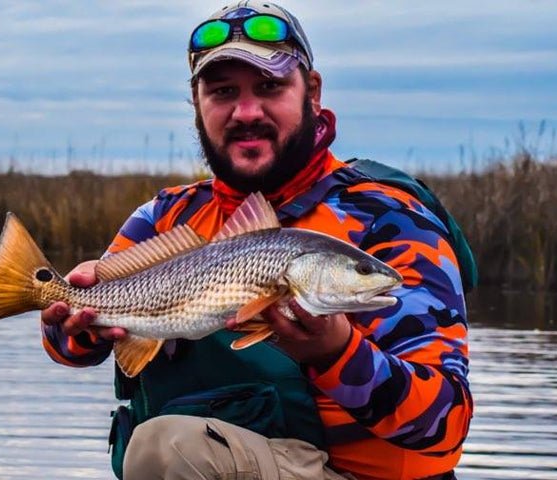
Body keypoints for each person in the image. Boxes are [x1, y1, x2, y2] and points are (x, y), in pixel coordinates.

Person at [41, 2, 473, 479]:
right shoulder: (164, 216)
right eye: (222, 91)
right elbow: (71, 345)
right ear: (197, 103)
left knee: (165, 448)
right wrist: (72, 324)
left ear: (311, 92)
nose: (246, 112)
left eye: (270, 87)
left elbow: (443, 422)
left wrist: (335, 352)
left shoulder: (390, 219)